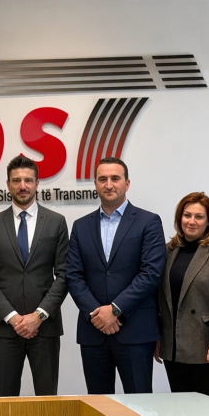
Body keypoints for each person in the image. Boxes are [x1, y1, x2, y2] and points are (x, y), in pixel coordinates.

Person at [66, 157, 165, 394]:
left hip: (135, 331)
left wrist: (115, 310)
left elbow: (151, 273)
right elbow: (73, 275)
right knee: (99, 407)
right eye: (102, 179)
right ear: (95, 184)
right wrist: (97, 314)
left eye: (115, 178)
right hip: (94, 331)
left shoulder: (148, 221)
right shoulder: (80, 226)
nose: (109, 184)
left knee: (140, 405)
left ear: (127, 183)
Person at [0, 156, 69, 397]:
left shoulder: (57, 223)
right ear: (8, 184)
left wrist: (38, 316)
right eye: (16, 180)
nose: (22, 186)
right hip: (5, 329)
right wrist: (13, 318)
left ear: (37, 183)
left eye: (28, 180)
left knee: (48, 400)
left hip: (45, 327)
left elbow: (64, 275)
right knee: (6, 401)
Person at [154, 192, 209, 401]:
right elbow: (159, 298)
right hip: (174, 346)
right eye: (187, 215)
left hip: (208, 345)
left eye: (199, 216)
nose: (191, 221)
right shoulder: (167, 251)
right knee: (180, 407)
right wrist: (157, 337)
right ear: (179, 218)